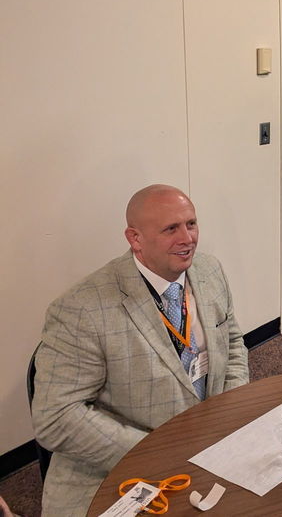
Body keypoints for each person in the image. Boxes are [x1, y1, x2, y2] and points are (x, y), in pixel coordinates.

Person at [32, 185, 249, 517]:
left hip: (210, 445)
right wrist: (154, 452)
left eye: (191, 224)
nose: (188, 238)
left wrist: (228, 412)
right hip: (120, 468)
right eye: (170, 229)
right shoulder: (81, 309)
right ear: (135, 238)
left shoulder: (209, 271)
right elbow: (56, 417)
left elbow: (233, 343)